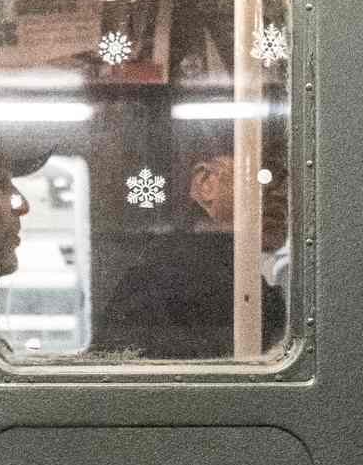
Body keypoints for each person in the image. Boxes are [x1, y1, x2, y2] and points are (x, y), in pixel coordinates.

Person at [92, 146, 288, 356]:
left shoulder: (175, 259)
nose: (282, 194)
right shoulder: (185, 269)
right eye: (265, 176)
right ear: (206, 184)